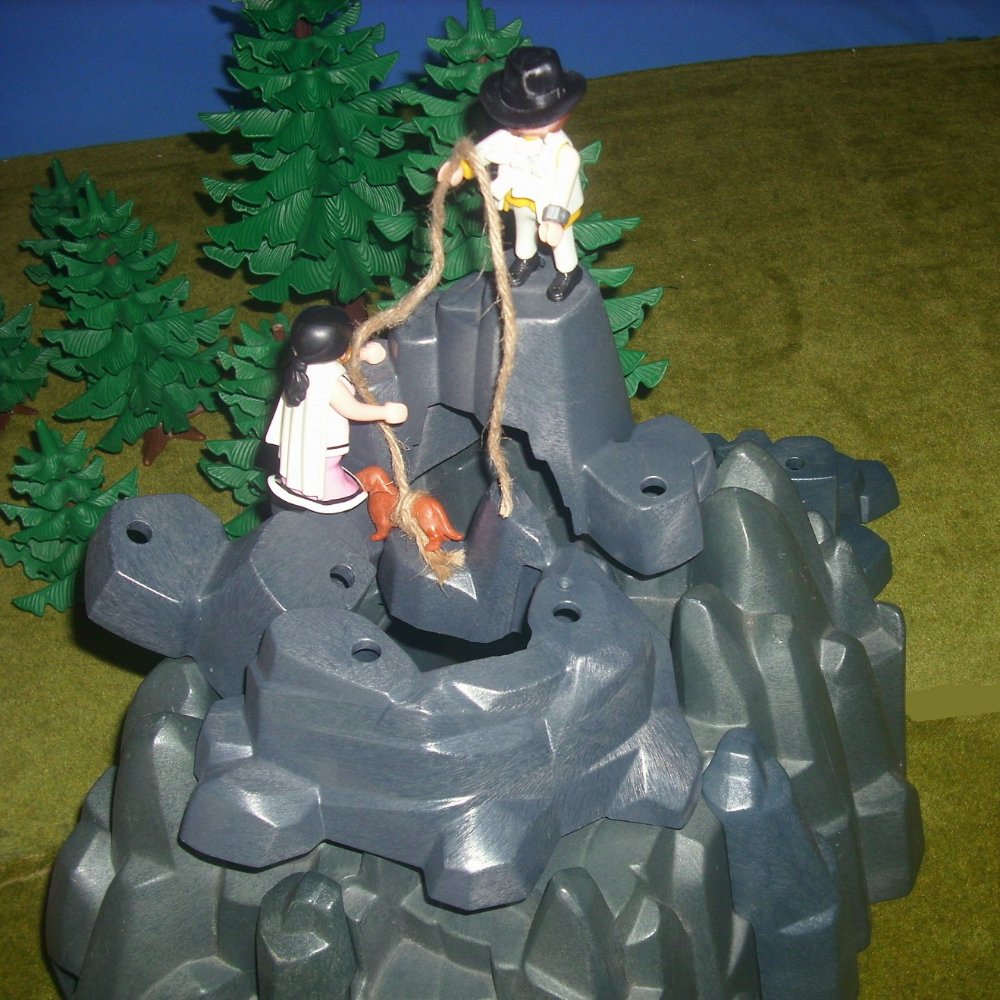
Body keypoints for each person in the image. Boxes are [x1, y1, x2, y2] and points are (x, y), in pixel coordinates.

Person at [439, 46, 587, 302]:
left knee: (561, 242)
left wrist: (555, 219)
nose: (532, 124)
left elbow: (562, 189)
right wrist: (460, 168)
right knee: (523, 231)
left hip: (552, 206)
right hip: (519, 197)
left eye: (542, 116)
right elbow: (482, 153)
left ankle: (568, 271)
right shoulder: (506, 139)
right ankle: (526, 259)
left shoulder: (564, 153)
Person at [265, 305, 407, 514]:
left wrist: (363, 353)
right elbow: (352, 409)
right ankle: (324, 489)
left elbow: (337, 358)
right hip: (323, 440)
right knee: (324, 466)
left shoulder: (303, 365)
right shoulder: (328, 383)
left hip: (304, 433)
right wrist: (385, 412)